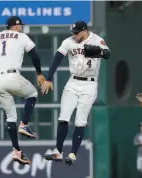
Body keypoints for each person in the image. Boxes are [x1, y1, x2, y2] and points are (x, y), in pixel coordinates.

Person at [0, 16, 45, 165]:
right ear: (17, 26)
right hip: (12, 76)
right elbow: (34, 54)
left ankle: (16, 151)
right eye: (21, 26)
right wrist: (39, 73)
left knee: (10, 116)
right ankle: (24, 124)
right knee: (32, 94)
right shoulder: (21, 36)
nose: (22, 28)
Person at [42, 21, 111, 166]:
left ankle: (73, 153)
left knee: (80, 120)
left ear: (85, 31)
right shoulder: (68, 42)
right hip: (72, 82)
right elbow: (56, 59)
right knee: (63, 117)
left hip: (90, 84)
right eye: (73, 32)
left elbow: (108, 54)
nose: (74, 35)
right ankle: (58, 151)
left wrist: (100, 51)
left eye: (77, 32)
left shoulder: (97, 40)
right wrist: (48, 78)